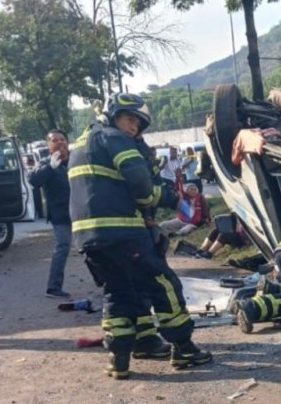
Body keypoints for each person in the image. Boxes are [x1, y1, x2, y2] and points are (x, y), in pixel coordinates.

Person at [69, 92, 212, 379]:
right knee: (164, 283)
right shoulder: (115, 137)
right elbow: (140, 183)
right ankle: (184, 348)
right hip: (122, 231)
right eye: (129, 118)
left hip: (89, 238)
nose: (133, 127)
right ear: (113, 115)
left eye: (138, 123)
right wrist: (170, 199)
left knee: (118, 291)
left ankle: (119, 360)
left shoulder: (83, 143)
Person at [28, 130, 73, 299]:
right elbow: (33, 180)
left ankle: (103, 281)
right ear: (49, 146)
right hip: (60, 214)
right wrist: (50, 167)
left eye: (62, 139)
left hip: (81, 211)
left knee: (92, 246)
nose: (60, 143)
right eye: (55, 140)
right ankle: (53, 287)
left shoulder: (76, 160)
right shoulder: (46, 163)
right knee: (62, 247)